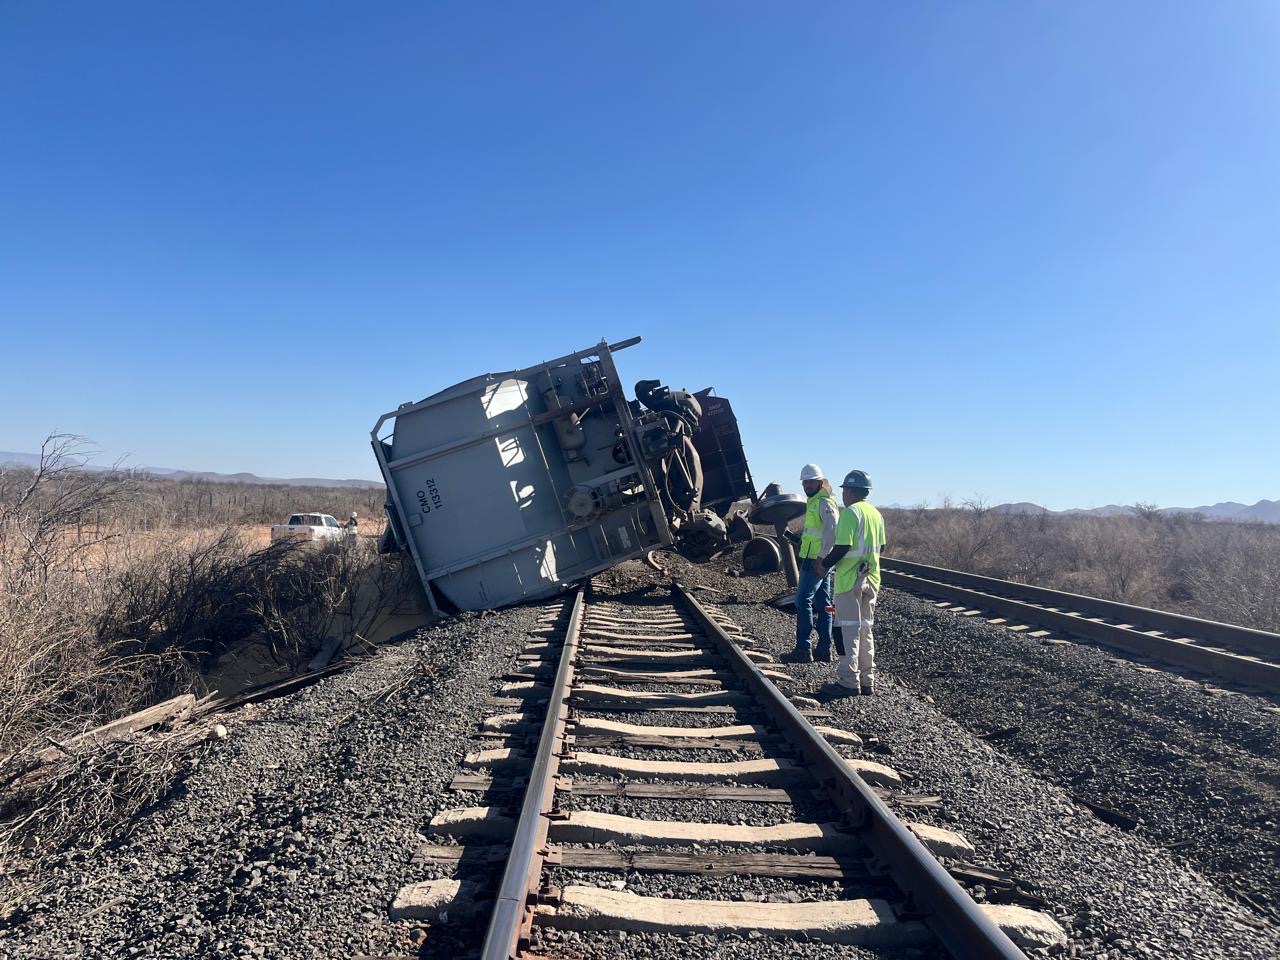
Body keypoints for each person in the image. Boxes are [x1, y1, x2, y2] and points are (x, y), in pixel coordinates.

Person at [819, 470, 887, 693]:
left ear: (849, 491)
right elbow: (881, 548)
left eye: (844, 491)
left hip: (849, 580)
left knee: (848, 629)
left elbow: (842, 547)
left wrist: (824, 563)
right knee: (866, 629)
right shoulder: (876, 514)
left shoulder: (850, 513)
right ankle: (867, 681)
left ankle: (848, 681)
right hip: (872, 578)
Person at [786, 463, 840, 663]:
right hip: (815, 557)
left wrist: (821, 558)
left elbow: (832, 532)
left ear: (820, 482)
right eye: (805, 482)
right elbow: (816, 533)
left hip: (816, 560)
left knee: (802, 601)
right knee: (823, 603)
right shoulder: (815, 502)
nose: (807, 485)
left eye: (811, 482)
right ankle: (824, 650)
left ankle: (803, 649)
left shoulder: (824, 502)